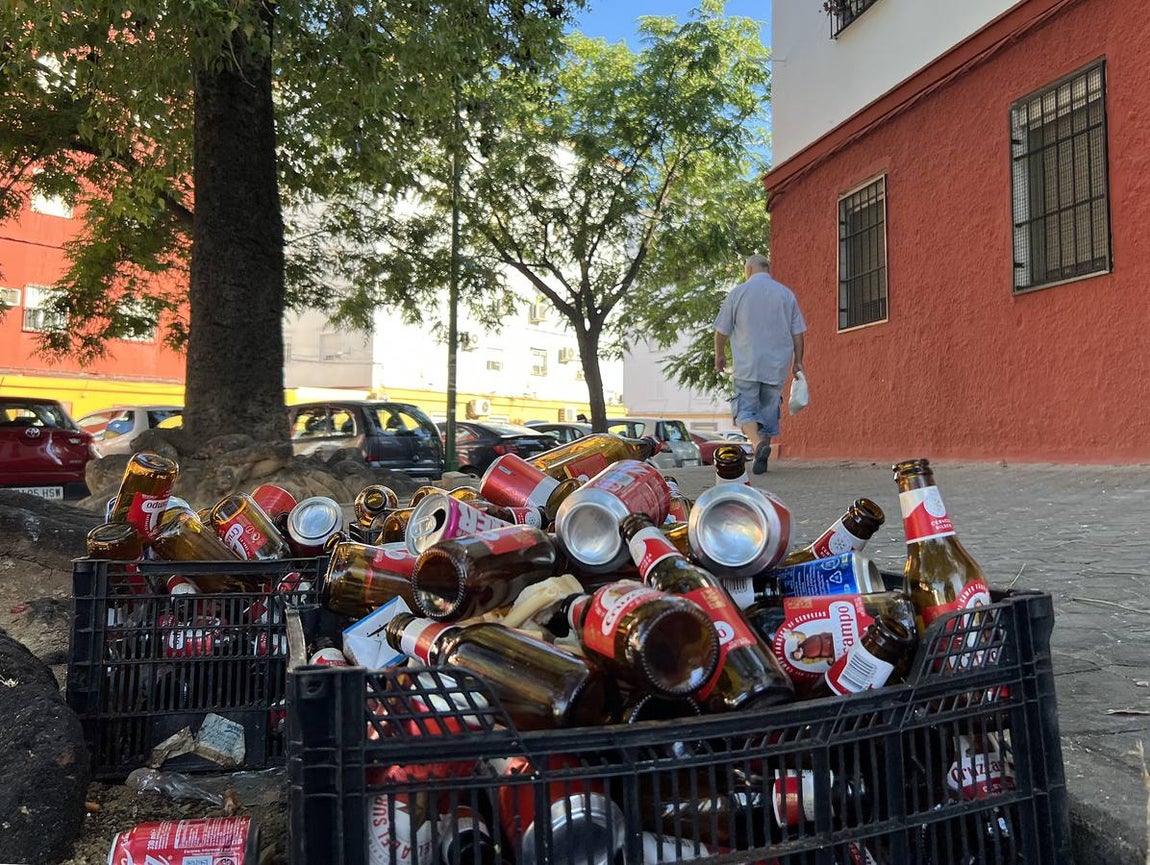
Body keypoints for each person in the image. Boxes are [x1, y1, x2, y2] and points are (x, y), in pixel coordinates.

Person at [713, 254, 806, 475]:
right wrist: (798, 361)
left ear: (748, 270)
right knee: (768, 410)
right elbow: (798, 333)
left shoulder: (738, 293)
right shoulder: (786, 295)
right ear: (767, 269)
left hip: (747, 364)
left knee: (744, 408)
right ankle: (761, 454)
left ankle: (757, 445)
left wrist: (719, 355)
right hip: (776, 366)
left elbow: (721, 330)